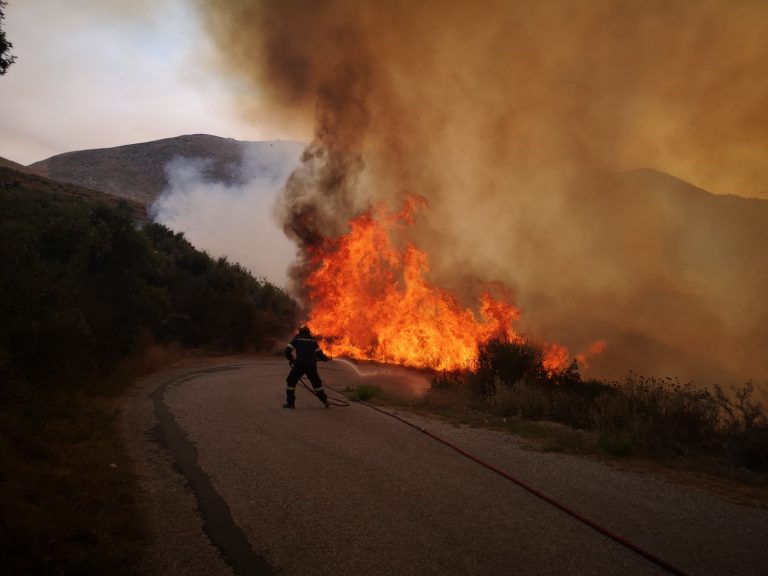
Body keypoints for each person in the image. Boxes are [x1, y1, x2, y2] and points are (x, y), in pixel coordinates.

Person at [283, 325, 332, 408]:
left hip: (300, 364)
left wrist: (291, 360)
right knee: (316, 383)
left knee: (291, 381)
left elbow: (287, 350)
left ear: (300, 332)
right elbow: (319, 354)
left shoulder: (296, 339)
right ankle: (325, 401)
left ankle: (290, 403)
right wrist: (325, 358)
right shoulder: (312, 340)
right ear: (308, 332)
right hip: (311, 365)